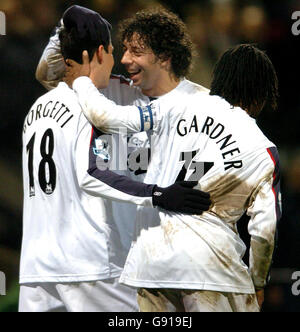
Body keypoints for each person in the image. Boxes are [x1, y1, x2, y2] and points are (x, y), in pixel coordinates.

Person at [19, 6, 211, 312]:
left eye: (135, 52)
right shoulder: (97, 101)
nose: (121, 59)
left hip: (37, 269)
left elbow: (46, 69)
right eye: (114, 50)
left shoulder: (39, 106)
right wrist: (159, 195)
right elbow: (93, 173)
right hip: (92, 263)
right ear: (99, 53)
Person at [70, 43, 281, 312]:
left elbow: (107, 117)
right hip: (212, 268)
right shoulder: (263, 149)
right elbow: (264, 230)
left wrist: (81, 81)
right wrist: (258, 281)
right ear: (261, 96)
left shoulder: (175, 106)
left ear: (219, 80)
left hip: (151, 261)